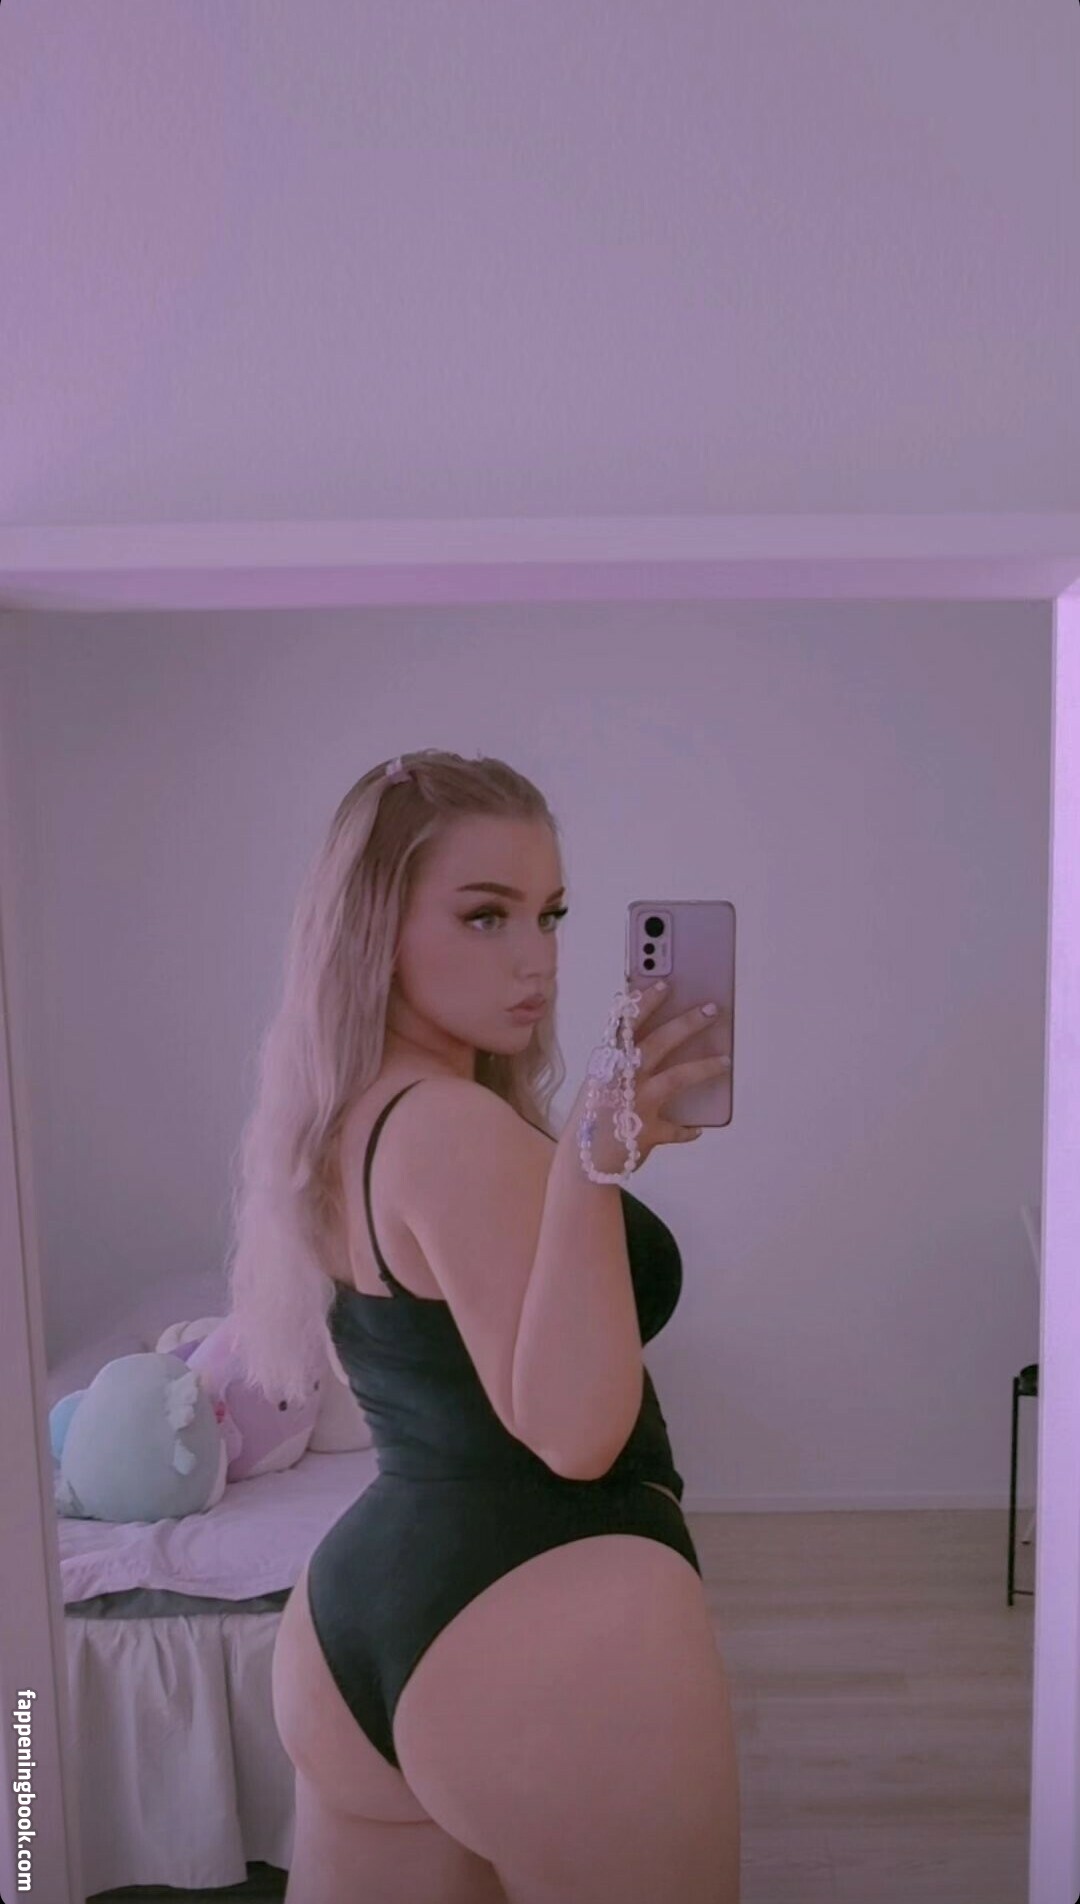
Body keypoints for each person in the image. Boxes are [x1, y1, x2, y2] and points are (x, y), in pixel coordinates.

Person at [226, 750, 740, 1903]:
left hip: (359, 1615)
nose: (537, 958)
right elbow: (575, 1433)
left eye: (549, 914)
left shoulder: (343, 1118)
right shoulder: (452, 1125)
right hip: (545, 1612)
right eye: (485, 914)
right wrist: (590, 1164)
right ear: (373, 930)